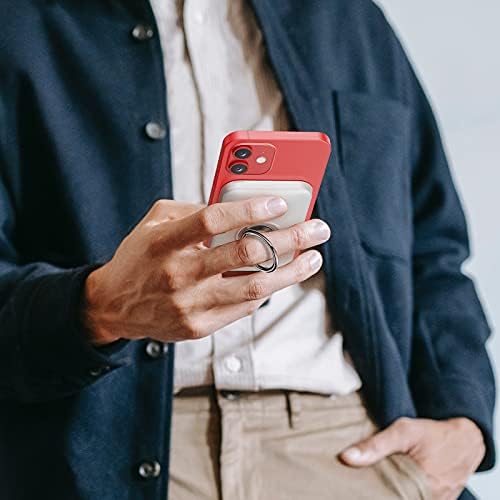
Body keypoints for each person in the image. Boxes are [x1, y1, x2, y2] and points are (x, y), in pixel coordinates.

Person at [0, 0, 495, 499]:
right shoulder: (19, 23)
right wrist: (97, 307)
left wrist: (464, 417)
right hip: (100, 450)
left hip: (349, 446)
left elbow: (433, 247)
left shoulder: (347, 18)